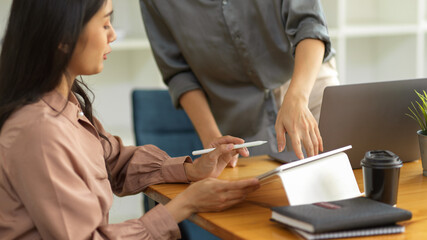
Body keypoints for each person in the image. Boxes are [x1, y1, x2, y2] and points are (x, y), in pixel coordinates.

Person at [0, 0, 260, 239]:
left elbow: (114, 161)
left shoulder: (65, 104)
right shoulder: (39, 132)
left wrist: (192, 170)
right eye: (104, 24)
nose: (112, 34)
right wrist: (185, 204)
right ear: (62, 37)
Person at [139, 0, 340, 166]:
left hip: (306, 82)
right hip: (240, 116)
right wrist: (210, 136)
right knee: (263, 204)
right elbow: (178, 72)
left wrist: (297, 97)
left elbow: (310, 25)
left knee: (343, 181)